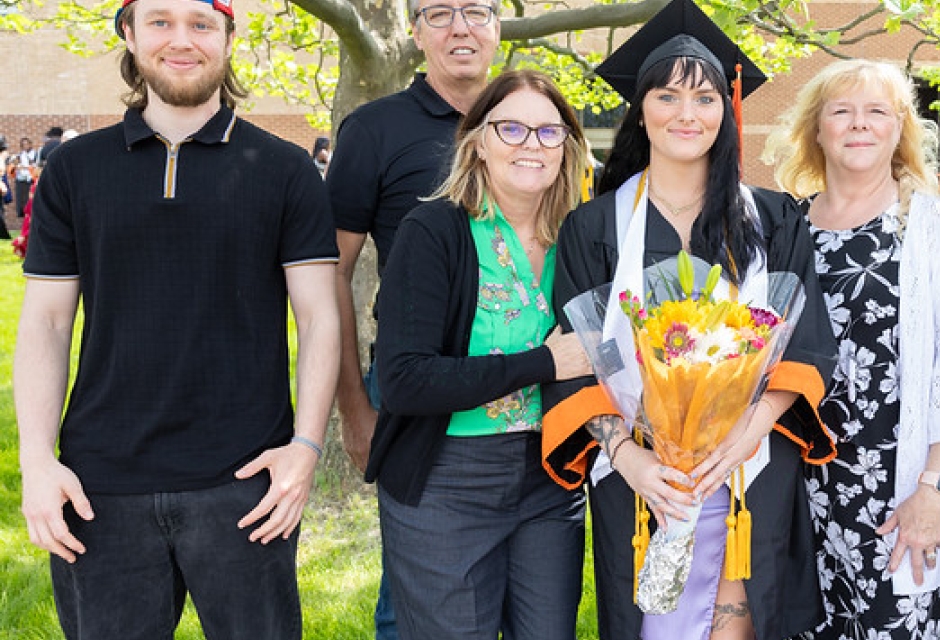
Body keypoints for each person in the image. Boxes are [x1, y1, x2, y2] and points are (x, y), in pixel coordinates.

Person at [14, 0, 340, 636]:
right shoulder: (75, 170)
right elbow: (46, 324)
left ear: (227, 38)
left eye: (201, 23)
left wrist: (305, 449)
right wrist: (36, 461)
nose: (181, 40)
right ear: (130, 35)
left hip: (247, 485)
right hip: (98, 486)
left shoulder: (285, 169)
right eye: (160, 22)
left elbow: (320, 319)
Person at [541, 1, 837, 638]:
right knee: (650, 619)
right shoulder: (593, 228)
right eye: (667, 96)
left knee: (742, 616)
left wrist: (744, 435)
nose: (686, 113)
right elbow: (578, 361)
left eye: (704, 98)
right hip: (641, 477)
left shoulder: (773, 217)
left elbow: (805, 346)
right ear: (640, 108)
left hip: (750, 464)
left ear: (725, 111)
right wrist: (628, 459)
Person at [763, 59, 940, 639]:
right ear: (817, 130)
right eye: (841, 112)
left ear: (899, 130)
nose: (858, 125)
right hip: (798, 488)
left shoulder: (932, 226)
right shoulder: (787, 228)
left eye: (876, 113)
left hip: (897, 489)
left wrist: (936, 490)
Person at [365, 69, 591, 640]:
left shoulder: (580, 236)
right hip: (447, 481)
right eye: (510, 128)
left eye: (548, 132)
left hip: (550, 477)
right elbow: (404, 379)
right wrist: (543, 363)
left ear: (567, 146)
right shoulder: (435, 230)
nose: (531, 145)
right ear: (477, 142)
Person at [324, 0, 499, 635]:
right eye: (440, 12)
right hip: (418, 391)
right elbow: (331, 273)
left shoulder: (530, 119)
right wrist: (353, 407)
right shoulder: (374, 129)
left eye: (477, 10)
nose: (461, 27)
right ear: (416, 31)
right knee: (414, 597)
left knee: (521, 589)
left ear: (497, 25)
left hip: (527, 388)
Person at [12, 136, 37, 221]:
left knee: (30, 201)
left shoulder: (35, 154)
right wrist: (16, 165)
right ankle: (24, 221)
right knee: (22, 202)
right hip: (21, 181)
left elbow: (35, 165)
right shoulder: (19, 155)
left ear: (30, 144)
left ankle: (31, 221)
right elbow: (14, 165)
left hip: (31, 180)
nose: (25, 146)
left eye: (26, 144)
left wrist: (26, 167)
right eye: (23, 145)